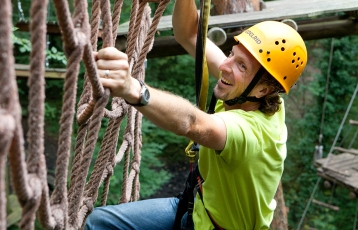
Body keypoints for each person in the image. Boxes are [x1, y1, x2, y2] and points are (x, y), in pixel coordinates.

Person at [84, 0, 308, 229]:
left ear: (264, 90)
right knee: (98, 222)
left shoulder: (251, 135)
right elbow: (189, 34)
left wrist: (133, 89)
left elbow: (193, 124)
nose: (224, 66)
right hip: (195, 208)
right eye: (232, 54)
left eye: (241, 66)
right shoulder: (250, 93)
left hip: (209, 224)